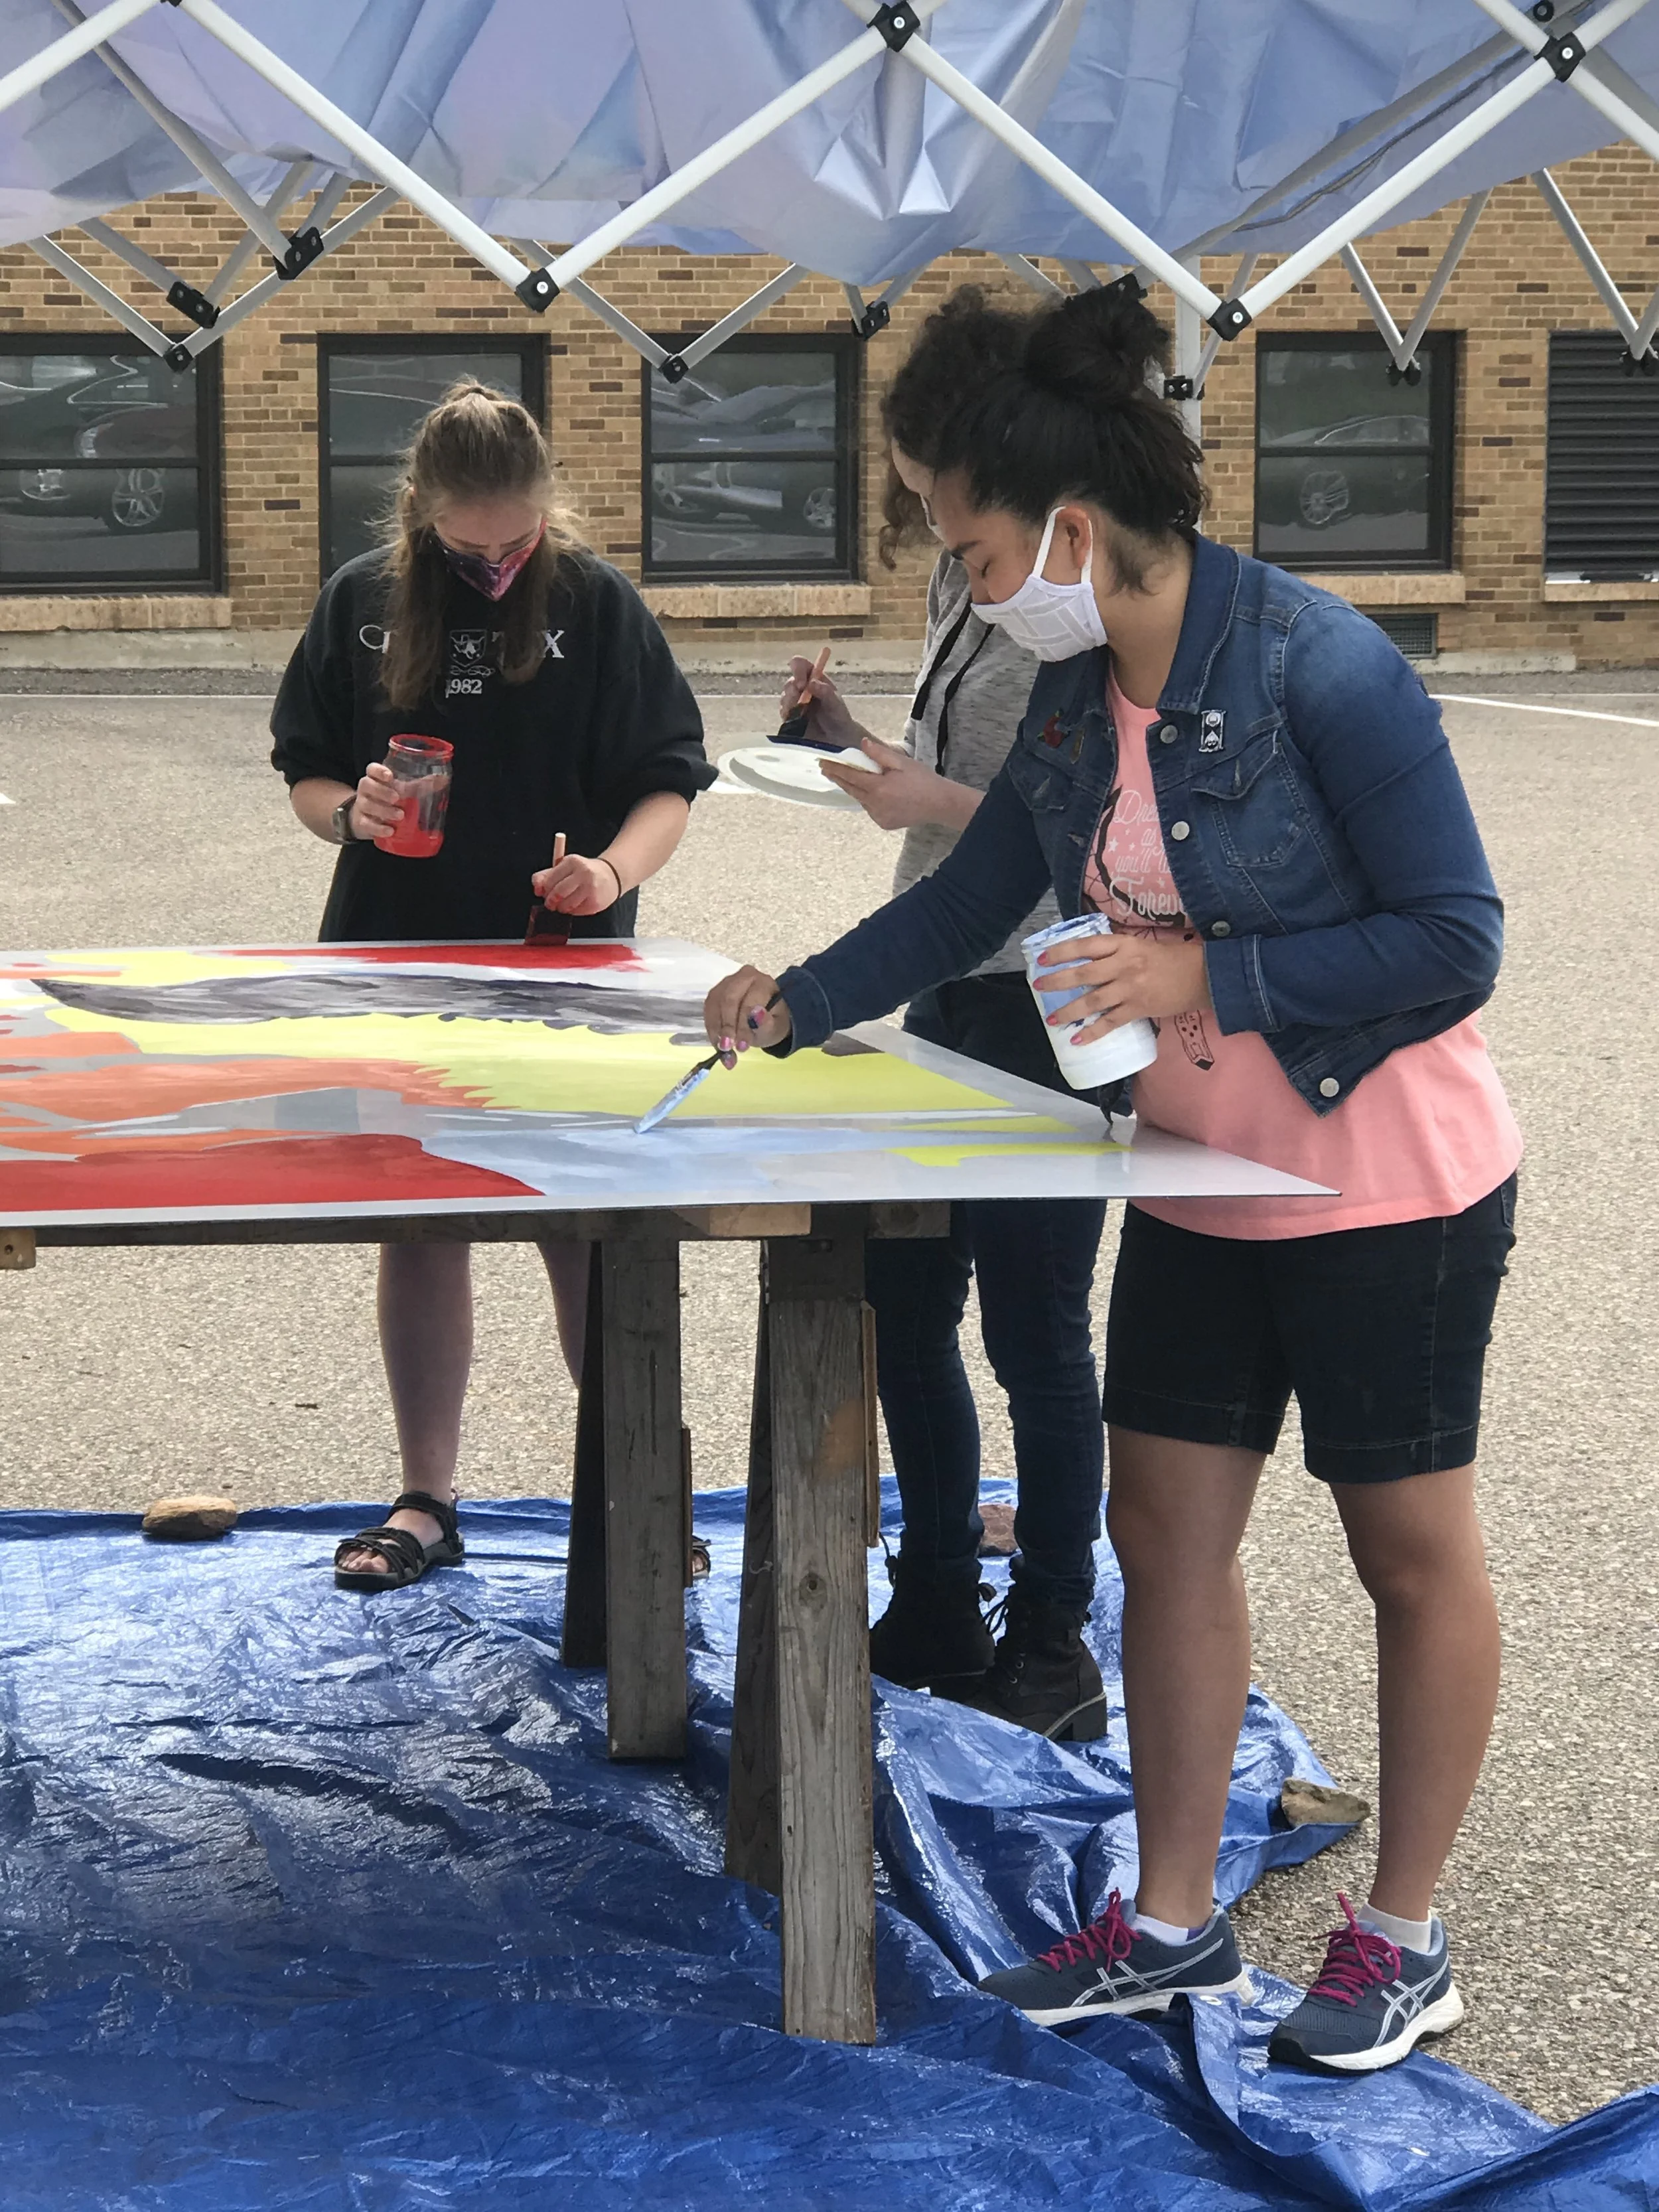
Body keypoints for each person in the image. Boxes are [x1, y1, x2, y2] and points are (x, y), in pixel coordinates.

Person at [701, 279, 1520, 2077]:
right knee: (1161, 1533)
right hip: (1199, 1173)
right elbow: (970, 892)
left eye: (967, 543)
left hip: (1390, 1183)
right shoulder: (1078, 696)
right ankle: (1166, 1923)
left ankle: (1401, 1932)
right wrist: (797, 996)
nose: (964, 577)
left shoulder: (1322, 665)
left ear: (1069, 528)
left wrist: (1201, 979)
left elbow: (1456, 939)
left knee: (1402, 1547)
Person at [271, 380, 713, 1592]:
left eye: (517, 541)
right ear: (422, 511)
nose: (497, 565)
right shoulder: (362, 601)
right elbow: (306, 773)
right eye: (470, 547)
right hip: (396, 954)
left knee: (584, 1233)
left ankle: (639, 1492)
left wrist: (611, 871)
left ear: (546, 509)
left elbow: (670, 779)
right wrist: (346, 814)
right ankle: (426, 1495)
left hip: (559, 963)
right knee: (422, 1229)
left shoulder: (597, 603)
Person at [777, 288, 1111, 1741]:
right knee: (906, 1301)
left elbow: (1084, 827)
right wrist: (850, 739)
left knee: (1036, 1330)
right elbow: (935, 781)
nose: (933, 539)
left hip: (1054, 981)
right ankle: (928, 1591)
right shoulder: (962, 587)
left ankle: (1050, 1629)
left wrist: (931, 803)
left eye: (949, 514)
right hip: (950, 980)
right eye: (918, 507)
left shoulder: (1084, 611)